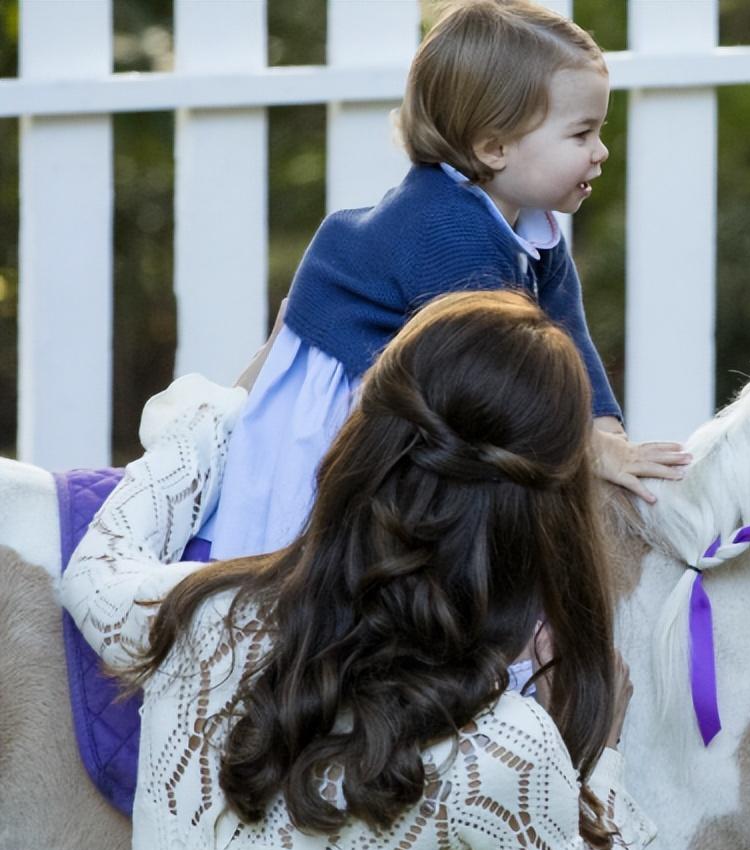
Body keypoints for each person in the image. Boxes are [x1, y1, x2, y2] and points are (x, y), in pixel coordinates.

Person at [61, 291, 652, 850]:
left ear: (363, 441)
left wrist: (234, 403)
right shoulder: (502, 747)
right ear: (548, 519)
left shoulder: (207, 619)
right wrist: (600, 766)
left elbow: (95, 571)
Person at [203, 0, 688, 564]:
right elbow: (487, 381)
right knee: (414, 530)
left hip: (432, 387)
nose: (601, 152)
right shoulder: (446, 227)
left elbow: (570, 340)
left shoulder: (531, 226)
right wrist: (587, 452)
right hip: (355, 401)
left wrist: (611, 443)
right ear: (494, 147)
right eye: (581, 134)